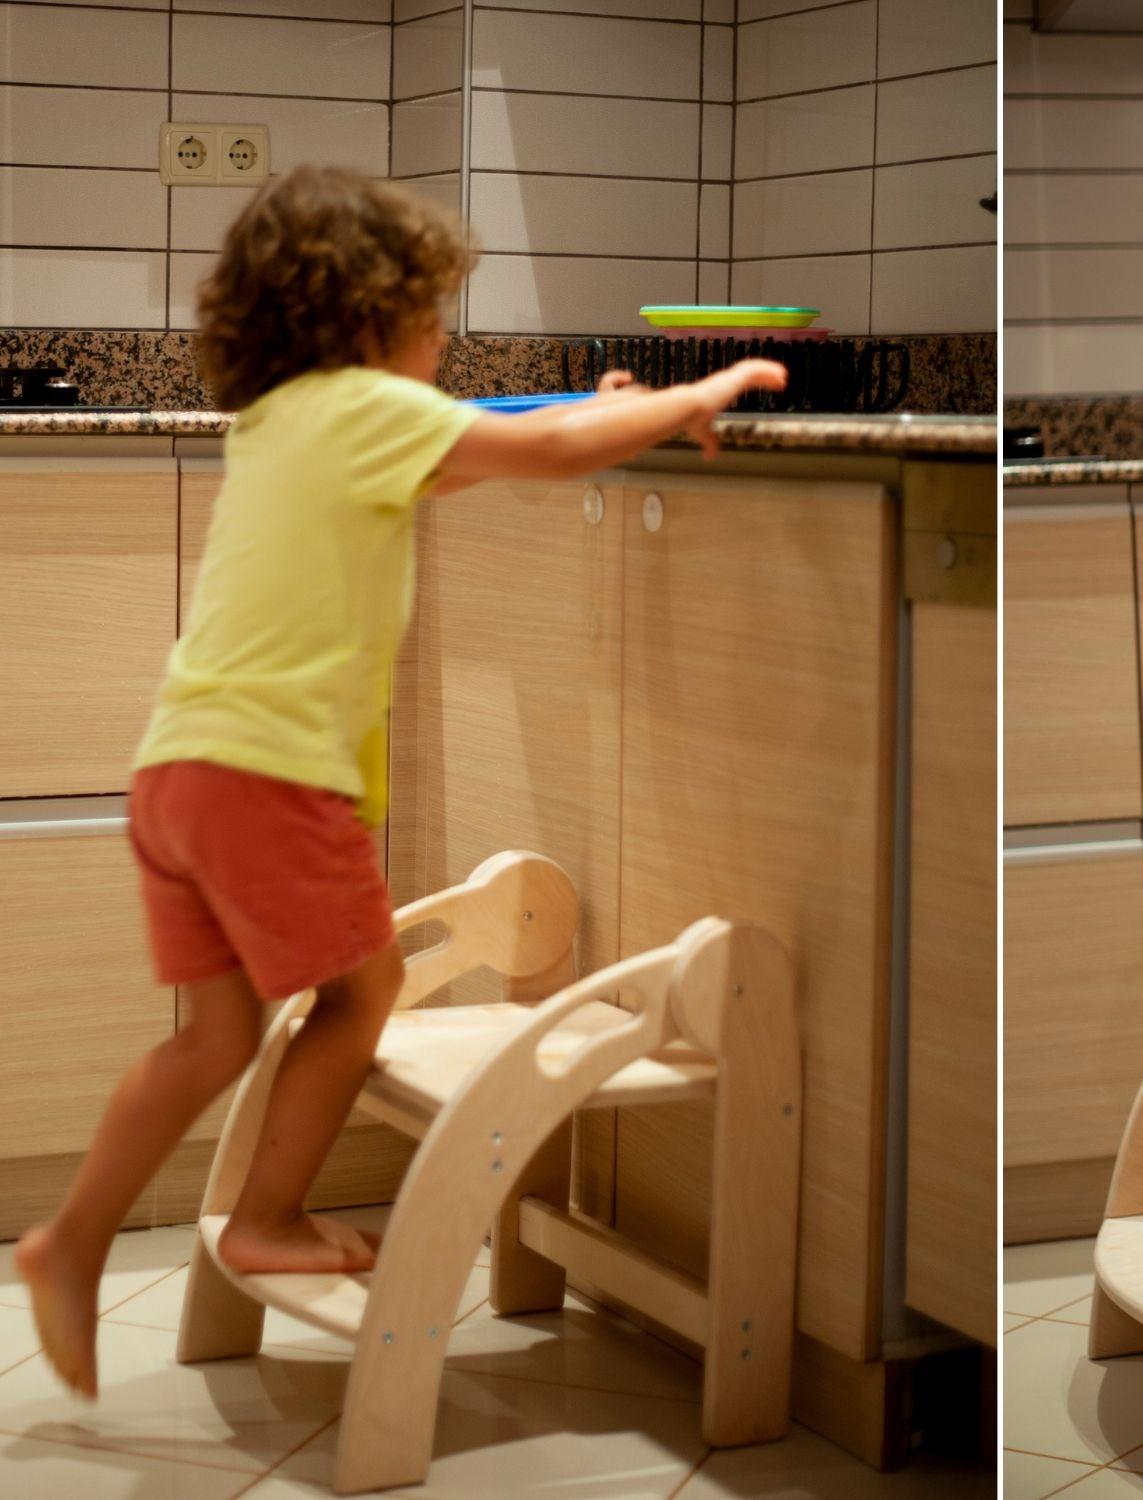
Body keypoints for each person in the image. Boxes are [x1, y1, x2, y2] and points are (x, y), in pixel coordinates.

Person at [16, 165, 785, 1399]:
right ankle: (266, 1217)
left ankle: (68, 1243)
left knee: (213, 1037)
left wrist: (598, 411)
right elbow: (532, 454)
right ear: (370, 316)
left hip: (179, 776)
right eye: (435, 312)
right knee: (364, 990)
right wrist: (701, 391)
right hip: (270, 777)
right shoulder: (365, 408)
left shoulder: (288, 419)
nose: (445, 337)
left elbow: (488, 449)